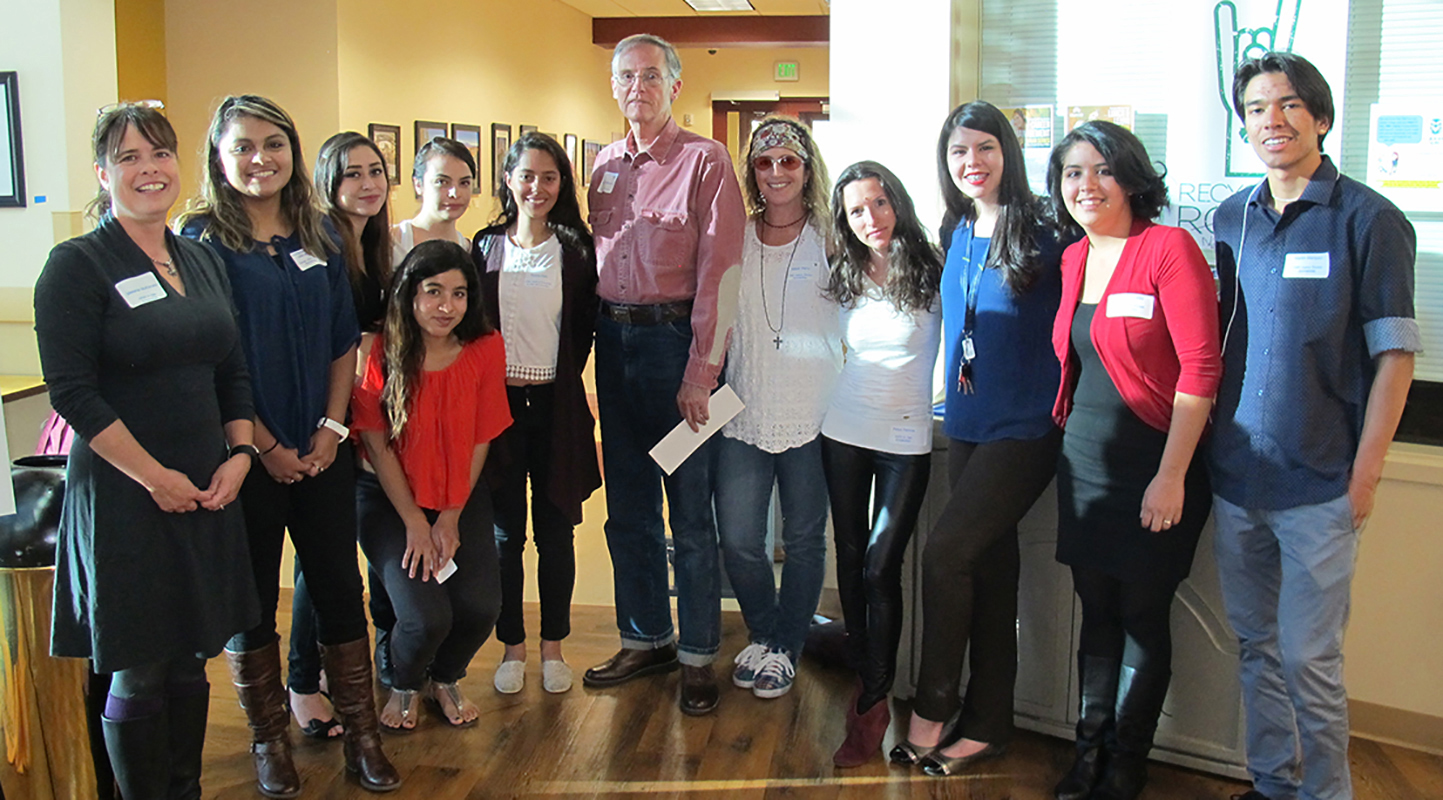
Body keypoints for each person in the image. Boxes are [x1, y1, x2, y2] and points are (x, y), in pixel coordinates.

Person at [35, 101, 260, 800]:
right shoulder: (76, 266)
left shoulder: (199, 258)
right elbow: (72, 392)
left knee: (193, 656)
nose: (147, 170)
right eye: (128, 158)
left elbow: (233, 369)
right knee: (138, 664)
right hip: (124, 491)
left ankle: (183, 790)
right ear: (102, 174)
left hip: (206, 484)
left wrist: (242, 454)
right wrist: (153, 475)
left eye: (158, 154)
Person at [177, 94, 399, 796]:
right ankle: (268, 739)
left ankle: (363, 736)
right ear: (218, 156)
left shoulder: (322, 235)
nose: (259, 159)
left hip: (321, 448)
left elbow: (343, 342)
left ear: (292, 151)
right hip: (245, 455)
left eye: (273, 144)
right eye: (242, 145)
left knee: (338, 584)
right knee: (252, 596)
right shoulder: (200, 241)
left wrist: (332, 430)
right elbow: (215, 357)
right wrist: (266, 446)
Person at [1211, 52, 1418, 800]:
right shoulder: (1232, 217)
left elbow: (1393, 358)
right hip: (1236, 479)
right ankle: (1271, 784)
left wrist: (1363, 476)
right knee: (1254, 649)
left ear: (1321, 118)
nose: (1272, 120)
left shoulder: (1369, 219)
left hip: (1321, 484)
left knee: (1309, 660)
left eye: (1289, 105)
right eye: (1257, 109)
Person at [1047, 120, 1221, 800]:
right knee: (1095, 610)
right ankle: (1087, 751)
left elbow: (1201, 367)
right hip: (1082, 460)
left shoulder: (1166, 249)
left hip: (1157, 462)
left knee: (1142, 615)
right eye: (1070, 173)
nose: (1085, 185)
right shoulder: (1071, 258)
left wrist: (1171, 474)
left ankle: (1126, 762)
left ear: (1129, 175)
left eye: (1099, 169)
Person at [897, 100, 1067, 776]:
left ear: (1008, 153)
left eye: (984, 148)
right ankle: (988, 724)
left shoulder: (1047, 231)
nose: (971, 162)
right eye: (958, 151)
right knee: (992, 575)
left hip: (1024, 429)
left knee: (944, 556)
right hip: (964, 424)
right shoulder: (957, 226)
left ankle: (934, 707)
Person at [581, 33, 745, 716]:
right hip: (612, 347)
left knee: (690, 515)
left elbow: (723, 277)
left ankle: (698, 654)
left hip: (677, 346)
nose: (636, 88)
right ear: (614, 86)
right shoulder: (602, 164)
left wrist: (701, 371)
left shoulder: (705, 162)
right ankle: (645, 636)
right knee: (628, 512)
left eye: (650, 76)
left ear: (673, 87)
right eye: (625, 77)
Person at [351, 240, 511, 731]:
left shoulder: (486, 348)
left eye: (459, 294)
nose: (447, 306)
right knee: (426, 619)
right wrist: (417, 524)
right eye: (433, 292)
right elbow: (377, 448)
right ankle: (404, 682)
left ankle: (445, 677)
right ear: (409, 294)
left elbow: (481, 438)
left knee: (482, 607)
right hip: (386, 499)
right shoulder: (380, 347)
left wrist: (450, 516)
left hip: (458, 495)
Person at [822, 161, 943, 767]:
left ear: (897, 200)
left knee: (878, 569)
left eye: (879, 202)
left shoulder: (935, 266)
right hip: (841, 428)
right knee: (848, 563)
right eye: (856, 210)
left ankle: (873, 695)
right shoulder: (840, 270)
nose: (870, 218)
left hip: (905, 438)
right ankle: (866, 700)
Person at [715, 117, 839, 700]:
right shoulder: (733, 235)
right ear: (753, 174)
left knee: (807, 539)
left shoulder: (832, 237)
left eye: (788, 161)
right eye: (765, 164)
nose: (777, 173)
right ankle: (765, 634)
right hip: (741, 407)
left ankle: (787, 645)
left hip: (815, 414)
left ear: (806, 168)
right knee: (739, 537)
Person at [473, 132, 601, 696]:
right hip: (496, 409)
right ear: (507, 178)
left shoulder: (576, 250)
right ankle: (512, 647)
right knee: (505, 536)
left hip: (556, 408)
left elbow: (582, 330)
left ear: (561, 184)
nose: (537, 187)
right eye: (526, 175)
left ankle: (552, 648)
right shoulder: (483, 246)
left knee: (556, 532)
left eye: (549, 177)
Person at [286, 131, 395, 741]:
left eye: (375, 171)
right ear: (328, 181)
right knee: (320, 559)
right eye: (352, 173)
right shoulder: (322, 240)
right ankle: (302, 680)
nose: (367, 183)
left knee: (333, 553)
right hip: (327, 416)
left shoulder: (371, 243)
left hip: (360, 413)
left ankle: (332, 667)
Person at [393, 137, 475, 261]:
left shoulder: (471, 251)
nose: (454, 193)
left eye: (464, 183)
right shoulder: (393, 243)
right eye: (442, 182)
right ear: (418, 185)